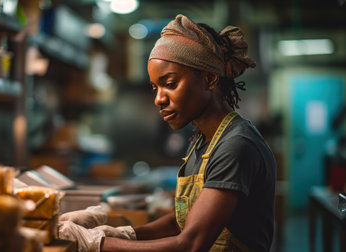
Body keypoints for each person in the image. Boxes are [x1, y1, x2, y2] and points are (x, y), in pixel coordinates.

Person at [58, 14, 276, 252]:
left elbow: (191, 243)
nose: (159, 99)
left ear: (209, 79)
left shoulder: (235, 145)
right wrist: (123, 233)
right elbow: (180, 222)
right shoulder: (203, 142)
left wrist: (97, 244)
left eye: (170, 84)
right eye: (155, 87)